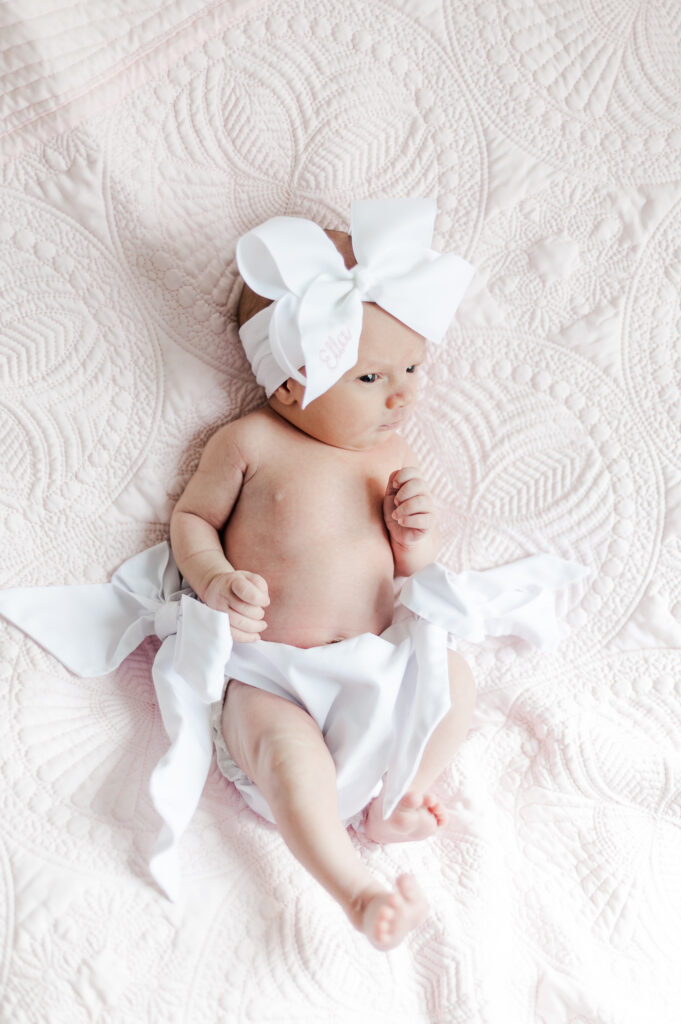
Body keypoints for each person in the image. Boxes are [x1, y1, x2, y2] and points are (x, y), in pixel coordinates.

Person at [169, 198, 479, 949]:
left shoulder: (392, 456)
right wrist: (214, 583)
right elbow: (190, 523)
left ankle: (398, 799)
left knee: (458, 680)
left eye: (411, 367)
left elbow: (413, 570)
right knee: (283, 757)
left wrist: (417, 536)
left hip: (379, 661)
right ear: (286, 382)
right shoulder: (248, 442)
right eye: (371, 376)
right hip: (273, 675)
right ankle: (356, 889)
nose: (403, 392)